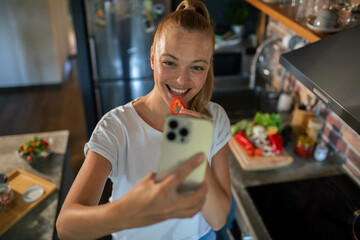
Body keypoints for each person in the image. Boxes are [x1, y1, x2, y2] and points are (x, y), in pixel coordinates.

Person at [56, 0, 232, 239]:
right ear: (152, 58)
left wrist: (197, 153)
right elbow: (66, 228)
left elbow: (219, 219)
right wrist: (129, 214)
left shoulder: (215, 118)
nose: (181, 80)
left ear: (209, 67)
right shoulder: (116, 127)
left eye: (197, 67)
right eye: (169, 63)